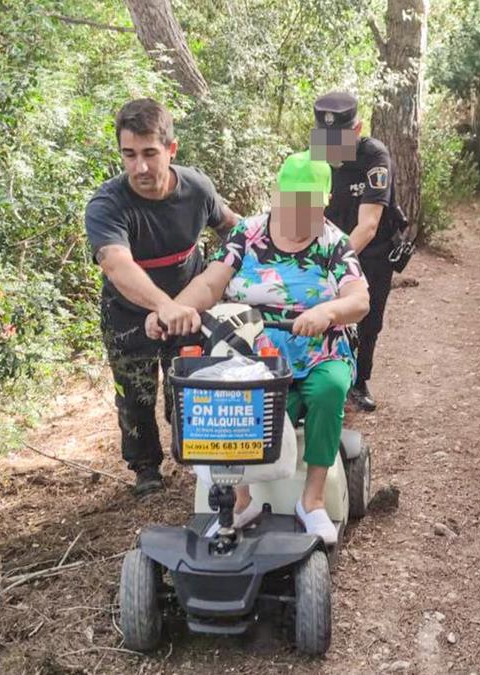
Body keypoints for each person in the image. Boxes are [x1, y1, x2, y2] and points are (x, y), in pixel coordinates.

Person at [148, 151, 370, 544]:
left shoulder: (333, 243)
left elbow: (359, 300)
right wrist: (174, 309)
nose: (298, 214)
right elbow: (210, 284)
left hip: (318, 350)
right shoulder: (246, 234)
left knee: (329, 390)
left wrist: (327, 311)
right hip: (250, 350)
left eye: (309, 205)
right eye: (290, 201)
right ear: (277, 195)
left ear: (323, 204)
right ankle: (240, 499)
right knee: (231, 400)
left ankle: (313, 500)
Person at [84, 97, 240, 497]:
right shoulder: (107, 203)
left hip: (189, 307)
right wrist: (162, 306)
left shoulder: (197, 188)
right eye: (129, 154)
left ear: (171, 149)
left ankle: (194, 453)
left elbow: (233, 229)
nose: (140, 167)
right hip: (127, 313)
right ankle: (145, 467)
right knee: (134, 394)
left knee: (187, 386)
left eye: (150, 154)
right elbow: (117, 265)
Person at [310, 91, 401, 412]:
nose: (331, 145)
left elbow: (368, 226)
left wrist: (334, 263)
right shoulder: (314, 156)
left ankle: (360, 381)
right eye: (325, 137)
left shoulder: (374, 157)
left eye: (339, 138)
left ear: (358, 128)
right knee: (322, 311)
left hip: (372, 253)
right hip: (326, 248)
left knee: (368, 318)